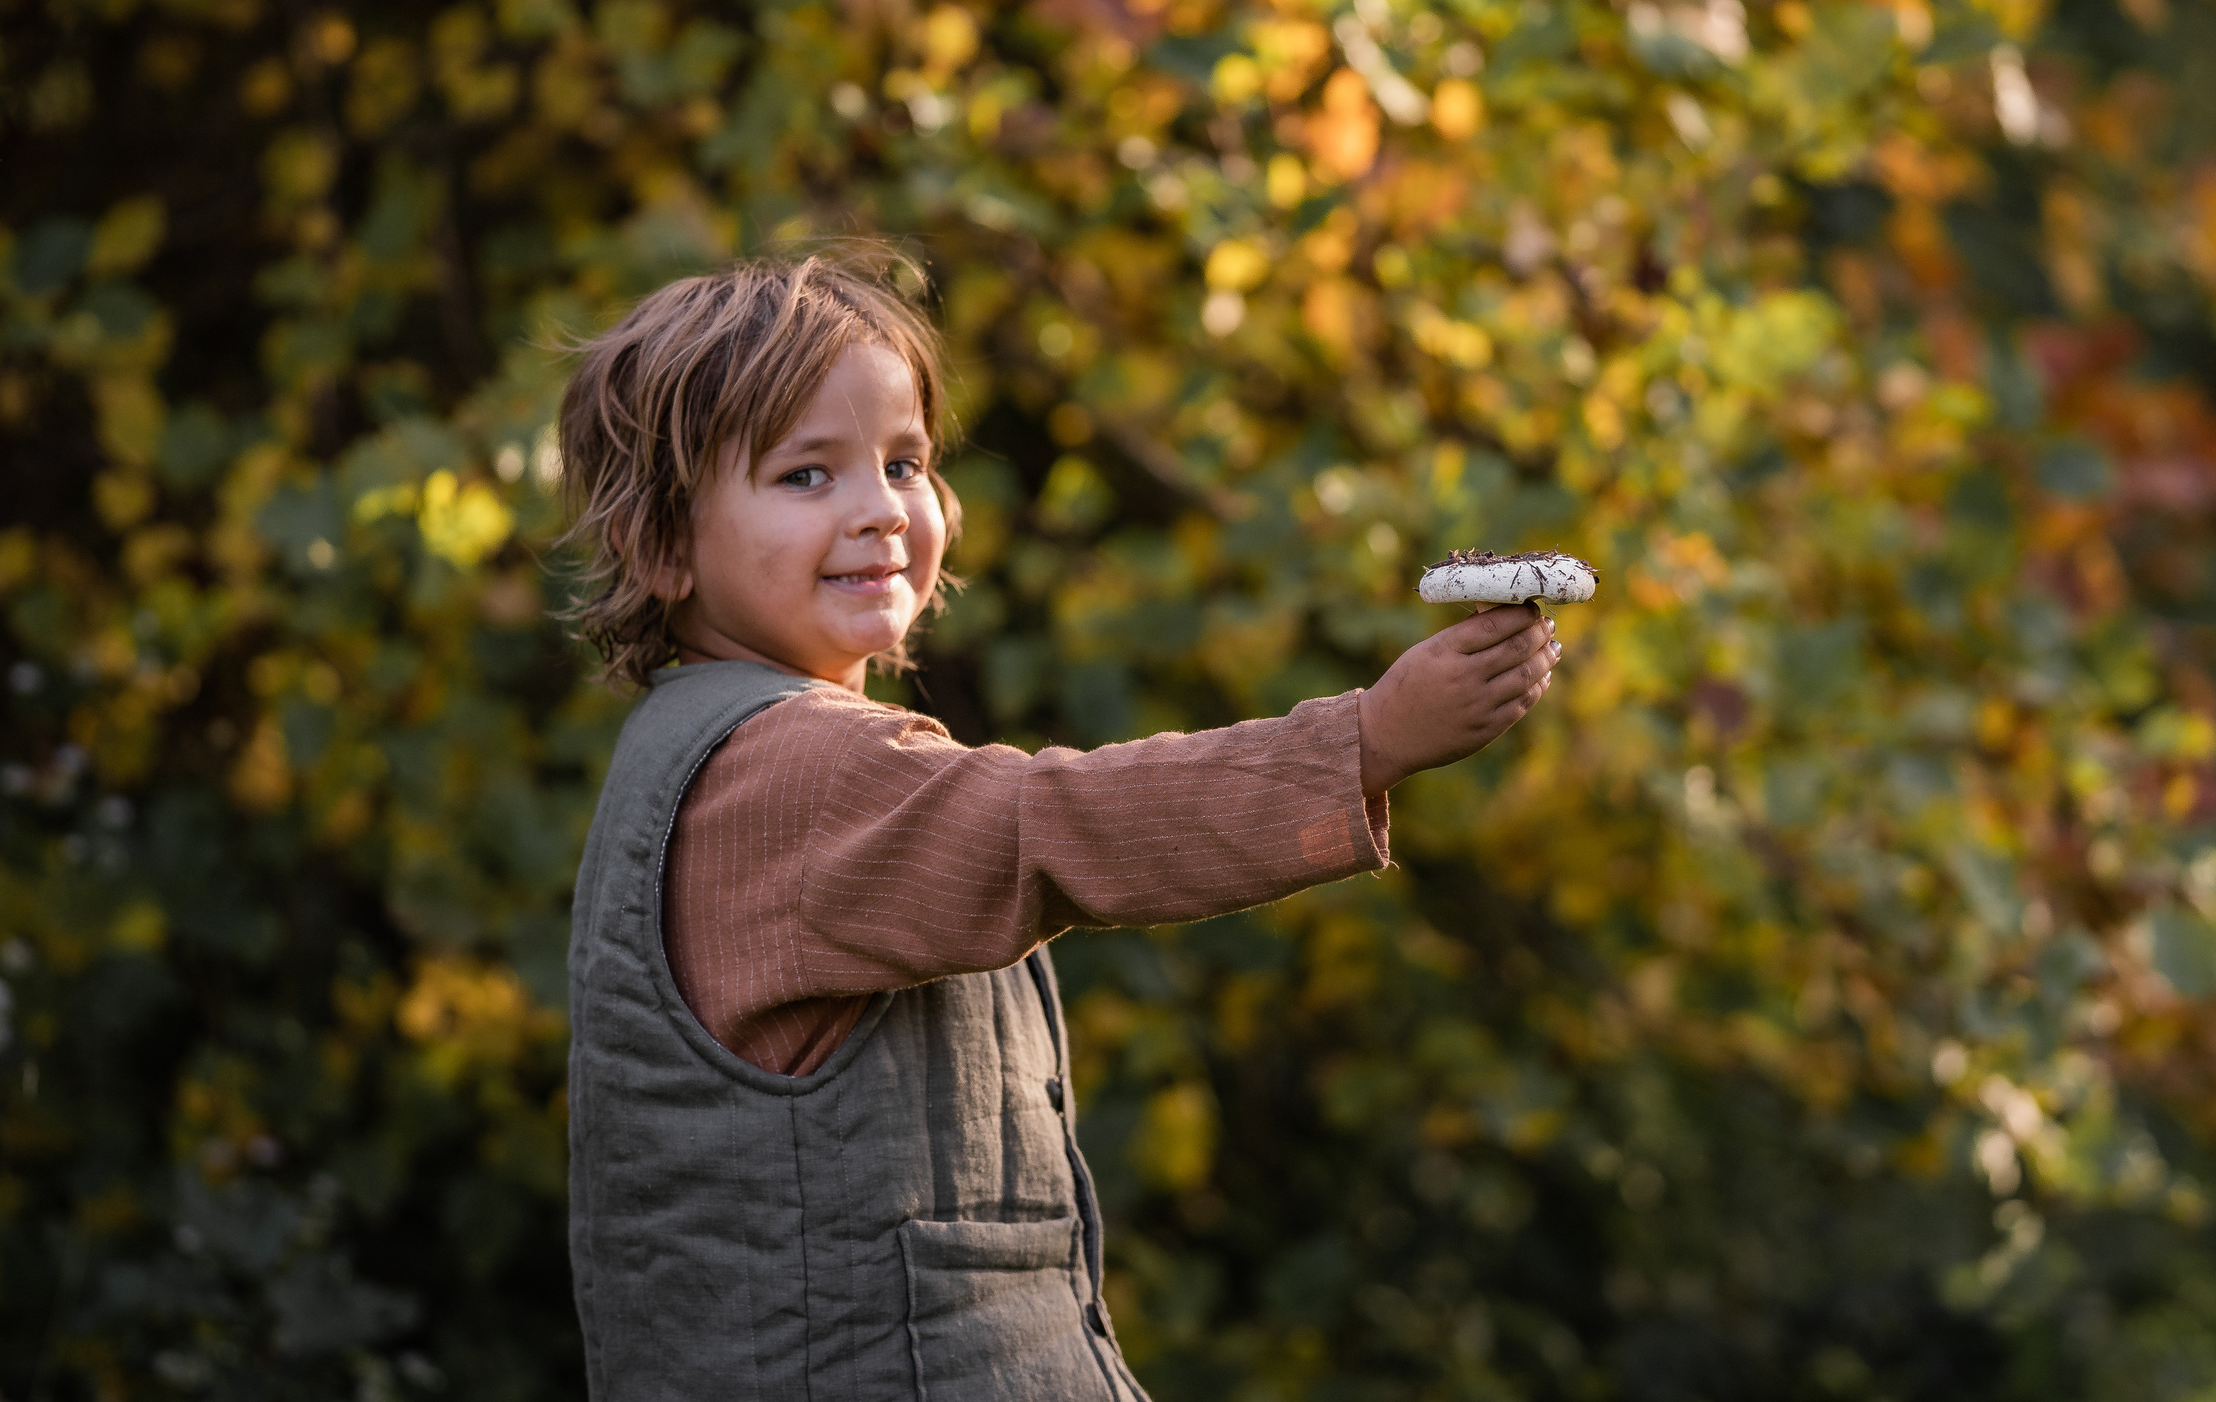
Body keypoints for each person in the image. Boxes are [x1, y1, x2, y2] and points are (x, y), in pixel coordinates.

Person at [555, 254, 1559, 1400]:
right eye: (804, 475)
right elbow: (1061, 827)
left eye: (903, 462)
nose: (881, 508)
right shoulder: (790, 770)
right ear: (660, 545)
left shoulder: (737, 750)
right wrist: (1367, 739)